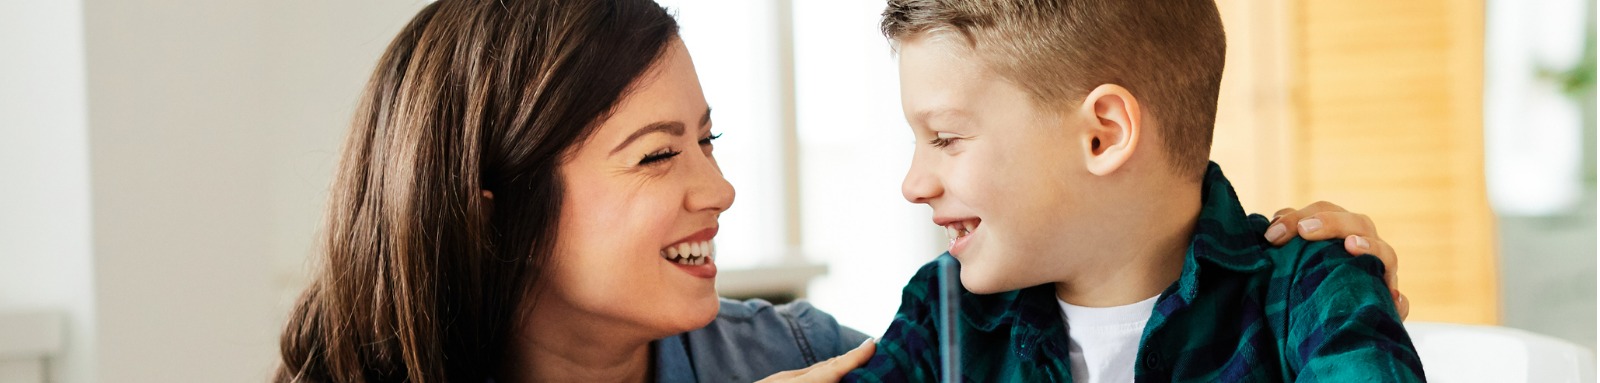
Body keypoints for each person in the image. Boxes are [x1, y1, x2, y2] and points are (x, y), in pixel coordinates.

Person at [274, 0, 1410, 381]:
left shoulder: (814, 351)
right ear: (498, 203)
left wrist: (1314, 283)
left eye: (708, 138)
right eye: (658, 153)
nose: (720, 188)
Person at [845, 0, 1422, 381]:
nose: (913, 185)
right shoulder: (942, 313)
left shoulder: (1313, 291)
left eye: (945, 138)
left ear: (1103, 136)